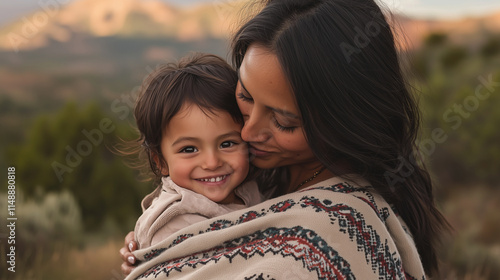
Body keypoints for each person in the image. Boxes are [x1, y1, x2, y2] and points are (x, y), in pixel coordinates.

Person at [121, 0, 449, 279]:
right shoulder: (261, 177)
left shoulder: (336, 231)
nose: (248, 133)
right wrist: (167, 245)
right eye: (245, 97)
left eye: (283, 121)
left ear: (343, 122)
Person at [130, 53, 262, 250]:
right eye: (189, 149)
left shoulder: (253, 189)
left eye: (227, 144)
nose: (212, 162)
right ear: (161, 162)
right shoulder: (173, 226)